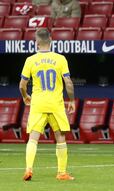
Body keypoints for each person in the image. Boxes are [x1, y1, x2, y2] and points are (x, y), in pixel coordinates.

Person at [20, 28, 76, 181]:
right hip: (55, 104)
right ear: (51, 40)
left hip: (37, 104)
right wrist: (71, 100)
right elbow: (68, 83)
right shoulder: (60, 59)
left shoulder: (30, 60)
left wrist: (25, 96)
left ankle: (28, 169)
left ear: (36, 42)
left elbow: (22, 85)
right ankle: (62, 172)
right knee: (60, 137)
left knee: (33, 137)